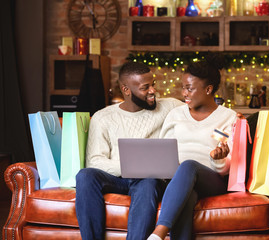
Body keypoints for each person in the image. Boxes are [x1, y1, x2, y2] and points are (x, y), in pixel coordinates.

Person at [75, 61, 183, 240]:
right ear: (126, 89)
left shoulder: (171, 106)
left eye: (153, 84)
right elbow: (95, 161)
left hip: (150, 180)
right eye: (145, 87)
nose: (152, 91)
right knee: (85, 175)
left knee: (148, 182)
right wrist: (132, 166)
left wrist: (234, 118)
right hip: (117, 179)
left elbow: (201, 111)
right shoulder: (103, 117)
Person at [148, 54, 238, 240]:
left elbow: (227, 167)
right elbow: (163, 151)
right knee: (187, 195)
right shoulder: (175, 114)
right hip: (177, 180)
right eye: (183, 88)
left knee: (188, 165)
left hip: (212, 179)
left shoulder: (228, 117)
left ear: (208, 89)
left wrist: (218, 159)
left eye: (189, 88)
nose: (184, 93)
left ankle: (159, 233)